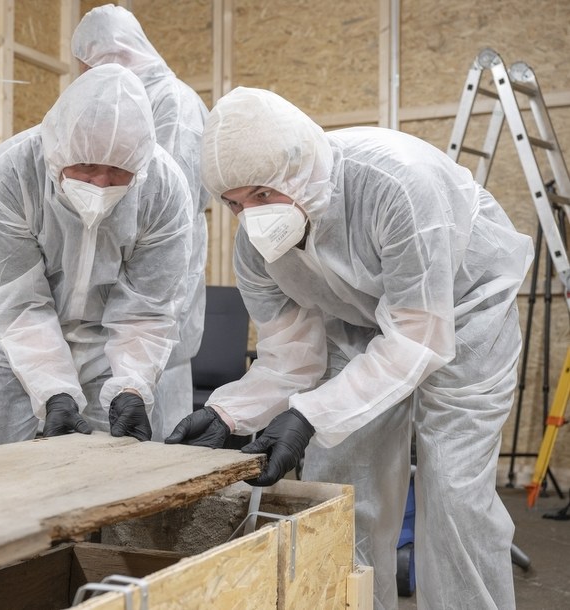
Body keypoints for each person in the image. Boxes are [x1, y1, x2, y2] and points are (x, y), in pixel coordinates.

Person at [165, 87, 533, 609]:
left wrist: (311, 413)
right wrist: (229, 413)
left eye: (263, 195)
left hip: (463, 309)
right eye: (234, 203)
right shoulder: (255, 248)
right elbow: (291, 357)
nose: (251, 217)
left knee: (454, 494)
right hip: (354, 323)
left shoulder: (396, 184)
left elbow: (416, 336)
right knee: (340, 489)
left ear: (300, 168)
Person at [0, 63, 192, 453]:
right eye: (87, 166)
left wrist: (131, 384)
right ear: (57, 151)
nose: (100, 183)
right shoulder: (12, 171)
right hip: (4, 340)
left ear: (140, 163)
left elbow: (146, 310)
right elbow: (21, 301)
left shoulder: (162, 189)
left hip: (106, 349)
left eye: (117, 172)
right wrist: (55, 391)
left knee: (108, 478)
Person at [72, 5, 209, 439]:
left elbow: (169, 205)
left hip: (158, 284)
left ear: (102, 55)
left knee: (159, 431)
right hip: (113, 298)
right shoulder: (118, 101)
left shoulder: (174, 102)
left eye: (85, 65)